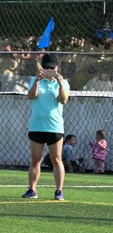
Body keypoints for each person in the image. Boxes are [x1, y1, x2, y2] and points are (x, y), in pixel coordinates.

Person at [24, 53, 69, 200]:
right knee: (36, 159)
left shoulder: (62, 82)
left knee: (56, 159)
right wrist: (37, 80)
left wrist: (60, 83)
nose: (48, 69)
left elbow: (63, 100)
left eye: (51, 67)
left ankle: (59, 191)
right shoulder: (35, 80)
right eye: (46, 67)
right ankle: (32, 189)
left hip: (54, 127)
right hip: (37, 125)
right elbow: (31, 96)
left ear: (57, 67)